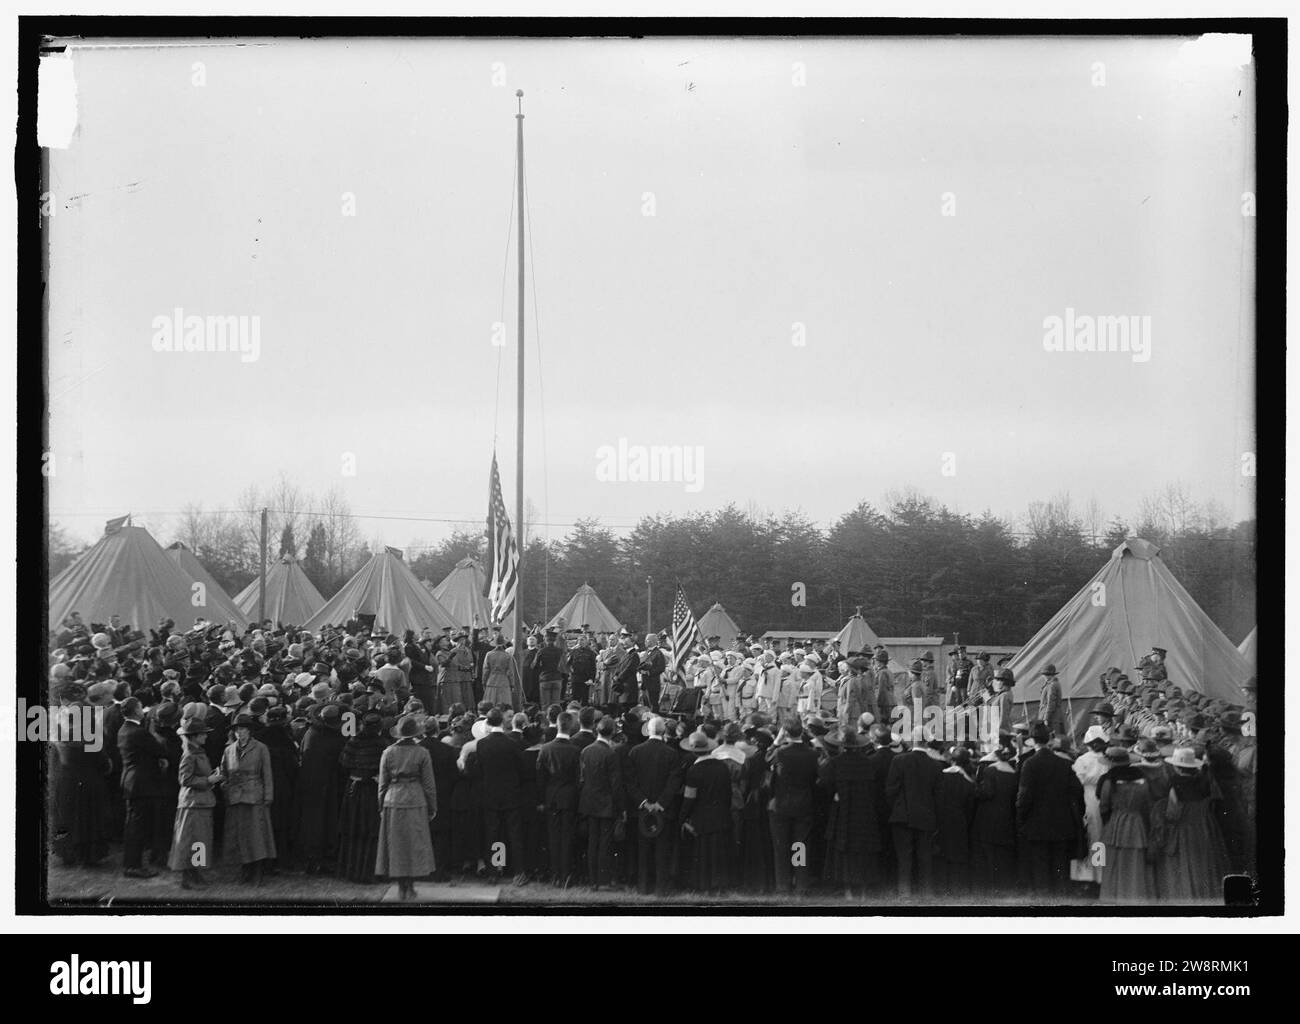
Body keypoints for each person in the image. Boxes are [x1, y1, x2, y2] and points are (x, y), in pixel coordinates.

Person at [1016, 722, 1084, 898]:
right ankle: (1061, 898)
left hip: (1037, 824)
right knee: (1060, 863)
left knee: (1040, 865)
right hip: (1062, 823)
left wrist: (1021, 819)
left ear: (1032, 740)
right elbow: (1077, 791)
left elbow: (1024, 797)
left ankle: (1044, 899)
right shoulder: (1064, 764)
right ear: (1049, 739)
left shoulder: (1030, 764)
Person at [376, 714, 438, 900]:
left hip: (392, 799)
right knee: (414, 843)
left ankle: (401, 885)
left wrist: (380, 805)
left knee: (396, 843)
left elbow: (382, 783)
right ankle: (410, 885)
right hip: (415, 798)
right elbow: (429, 784)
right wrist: (432, 806)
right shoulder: (422, 753)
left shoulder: (388, 752)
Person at [1157, 746, 1231, 902]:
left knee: (1184, 863)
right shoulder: (1207, 780)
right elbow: (1216, 801)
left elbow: (1172, 813)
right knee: (1205, 862)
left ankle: (1187, 896)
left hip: (1184, 829)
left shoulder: (1174, 784)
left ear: (1176, 767)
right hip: (1206, 826)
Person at [820, 727, 881, 898]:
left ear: (842, 745)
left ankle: (848, 892)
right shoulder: (868, 762)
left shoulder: (835, 762)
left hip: (843, 811)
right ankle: (862, 892)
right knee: (863, 849)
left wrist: (836, 793)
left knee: (844, 848)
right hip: (864, 812)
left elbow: (824, 783)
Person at [627, 715, 683, 895]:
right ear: (663, 731)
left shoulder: (635, 751)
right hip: (662, 809)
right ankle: (661, 888)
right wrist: (660, 803)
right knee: (662, 849)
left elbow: (630, 782)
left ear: (648, 730)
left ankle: (643, 887)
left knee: (643, 850)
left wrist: (643, 802)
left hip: (643, 808)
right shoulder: (671, 753)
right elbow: (674, 782)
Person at [219, 713, 277, 885]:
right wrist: (224, 786)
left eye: (243, 729)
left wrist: (268, 796)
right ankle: (245, 869)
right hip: (235, 797)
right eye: (237, 729)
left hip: (254, 796)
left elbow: (267, 773)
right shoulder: (229, 749)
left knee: (257, 835)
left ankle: (258, 871)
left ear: (250, 731)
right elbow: (223, 772)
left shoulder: (261, 748)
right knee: (240, 836)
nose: (240, 732)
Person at [473, 707, 530, 882]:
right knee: (514, 835)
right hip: (511, 795)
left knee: (493, 833)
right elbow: (521, 769)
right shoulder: (512, 744)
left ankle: (494, 871)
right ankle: (518, 872)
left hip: (490, 795)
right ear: (502, 722)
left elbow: (479, 770)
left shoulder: (482, 745)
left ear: (488, 723)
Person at [885, 730, 943, 898]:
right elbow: (939, 797)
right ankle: (927, 893)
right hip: (926, 816)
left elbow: (890, 791)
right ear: (927, 742)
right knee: (925, 857)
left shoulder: (898, 760)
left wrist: (897, 808)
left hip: (902, 816)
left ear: (912, 741)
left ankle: (905, 893)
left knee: (904, 858)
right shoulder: (936, 766)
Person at [768, 716, 820, 895]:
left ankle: (782, 885)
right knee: (800, 846)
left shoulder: (781, 752)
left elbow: (767, 759)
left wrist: (776, 741)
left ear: (786, 733)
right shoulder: (812, 753)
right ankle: (801, 884)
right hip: (804, 803)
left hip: (781, 804)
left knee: (781, 847)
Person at [1097, 745, 1155, 904]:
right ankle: (1134, 894)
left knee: (1112, 861)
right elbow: (1147, 804)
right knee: (1134, 861)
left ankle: (1112, 896)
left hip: (1116, 822)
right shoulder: (1142, 778)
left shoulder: (1110, 780)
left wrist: (1107, 823)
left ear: (1111, 763)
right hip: (1137, 822)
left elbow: (1103, 805)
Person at [118, 697, 167, 879]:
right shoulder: (139, 732)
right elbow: (160, 750)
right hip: (142, 783)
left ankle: (131, 864)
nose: (142, 710)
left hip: (131, 781)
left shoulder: (124, 730)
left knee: (133, 825)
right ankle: (133, 866)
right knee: (137, 826)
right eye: (140, 707)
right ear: (136, 710)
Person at [337, 710, 388, 883]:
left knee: (355, 829)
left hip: (355, 789)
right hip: (373, 790)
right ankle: (371, 869)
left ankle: (352, 869)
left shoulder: (354, 741)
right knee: (372, 830)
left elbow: (344, 763)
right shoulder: (383, 744)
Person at [170, 708, 218, 890]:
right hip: (193, 803)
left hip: (201, 801)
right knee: (191, 840)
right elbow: (185, 779)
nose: (205, 737)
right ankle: (188, 876)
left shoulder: (198, 752)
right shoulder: (189, 755)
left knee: (201, 840)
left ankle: (197, 873)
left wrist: (212, 777)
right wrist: (209, 780)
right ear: (195, 736)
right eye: (203, 734)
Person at [678, 729, 731, 894]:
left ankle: (703, 885)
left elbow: (689, 798)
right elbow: (728, 794)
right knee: (718, 852)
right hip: (720, 815)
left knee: (702, 853)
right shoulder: (722, 767)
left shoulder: (694, 771)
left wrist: (682, 817)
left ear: (694, 751)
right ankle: (718, 885)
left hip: (700, 817)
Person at [536, 710, 582, 886]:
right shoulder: (575, 750)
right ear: (570, 726)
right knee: (567, 837)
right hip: (569, 799)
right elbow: (579, 778)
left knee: (553, 838)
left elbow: (540, 778)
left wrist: (541, 800)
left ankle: (555, 874)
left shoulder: (546, 749)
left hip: (551, 798)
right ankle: (565, 874)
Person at [578, 716, 624, 889]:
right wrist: (621, 808)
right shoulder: (611, 754)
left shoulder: (586, 751)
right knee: (605, 843)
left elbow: (582, 778)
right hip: (606, 804)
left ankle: (592, 880)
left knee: (592, 842)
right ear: (612, 732)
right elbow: (616, 785)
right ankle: (603, 880)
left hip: (589, 802)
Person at [972, 746, 1019, 894]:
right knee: (1002, 856)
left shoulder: (990, 771)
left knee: (988, 855)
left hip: (988, 819)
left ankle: (989, 887)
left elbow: (987, 793)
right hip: (1007, 819)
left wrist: (976, 788)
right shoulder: (1014, 774)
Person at [935, 745, 976, 898]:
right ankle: (957, 890)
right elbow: (970, 810)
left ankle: (942, 889)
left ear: (951, 760)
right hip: (960, 822)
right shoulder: (969, 783)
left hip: (941, 821)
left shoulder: (940, 777)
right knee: (957, 857)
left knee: (941, 855)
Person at [481, 637, 520, 707]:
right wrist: (512, 684)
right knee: (504, 705)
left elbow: (485, 670)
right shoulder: (507, 656)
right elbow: (511, 672)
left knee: (490, 704)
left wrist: (484, 682)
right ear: (503, 644)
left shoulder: (489, 654)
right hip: (504, 682)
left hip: (491, 681)